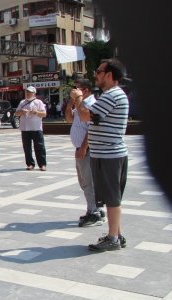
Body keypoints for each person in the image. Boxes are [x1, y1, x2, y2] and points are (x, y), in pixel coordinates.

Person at [72, 58, 130, 252]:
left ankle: (113, 238)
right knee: (111, 197)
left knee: (113, 199)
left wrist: (78, 98)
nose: (95, 75)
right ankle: (116, 234)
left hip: (109, 155)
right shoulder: (112, 95)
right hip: (107, 154)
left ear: (109, 75)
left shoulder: (111, 95)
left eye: (99, 71)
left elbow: (85, 115)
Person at [65, 79, 105, 228]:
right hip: (80, 149)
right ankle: (95, 209)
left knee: (89, 182)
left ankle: (94, 212)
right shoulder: (80, 104)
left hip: (87, 150)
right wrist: (71, 103)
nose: (74, 91)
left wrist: (83, 147)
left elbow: (91, 129)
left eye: (77, 89)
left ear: (86, 90)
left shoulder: (90, 105)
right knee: (84, 182)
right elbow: (69, 119)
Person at [15, 86, 47, 171]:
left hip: (36, 128)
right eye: (26, 92)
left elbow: (44, 114)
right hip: (25, 129)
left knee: (39, 147)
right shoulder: (22, 102)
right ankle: (30, 164)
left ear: (34, 93)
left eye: (29, 92)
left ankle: (42, 164)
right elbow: (16, 113)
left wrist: (36, 112)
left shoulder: (38, 102)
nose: (28, 94)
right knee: (27, 148)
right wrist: (22, 112)